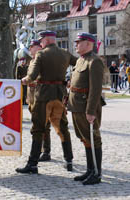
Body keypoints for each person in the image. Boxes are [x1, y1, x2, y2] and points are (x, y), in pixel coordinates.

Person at [16, 30, 77, 174]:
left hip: (43, 96)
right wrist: (71, 80)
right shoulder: (65, 53)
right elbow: (79, 64)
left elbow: (32, 76)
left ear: (46, 40)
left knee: (38, 129)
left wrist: (24, 80)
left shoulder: (41, 54)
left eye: (41, 40)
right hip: (60, 95)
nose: (40, 43)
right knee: (62, 128)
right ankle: (69, 160)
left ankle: (32, 164)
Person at [67, 33, 105, 185]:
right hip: (76, 105)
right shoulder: (81, 60)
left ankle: (96, 172)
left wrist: (90, 111)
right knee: (84, 139)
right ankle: (90, 170)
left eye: (79, 42)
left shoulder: (95, 61)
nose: (75, 44)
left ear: (89, 43)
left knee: (93, 139)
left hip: (86, 106)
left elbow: (95, 89)